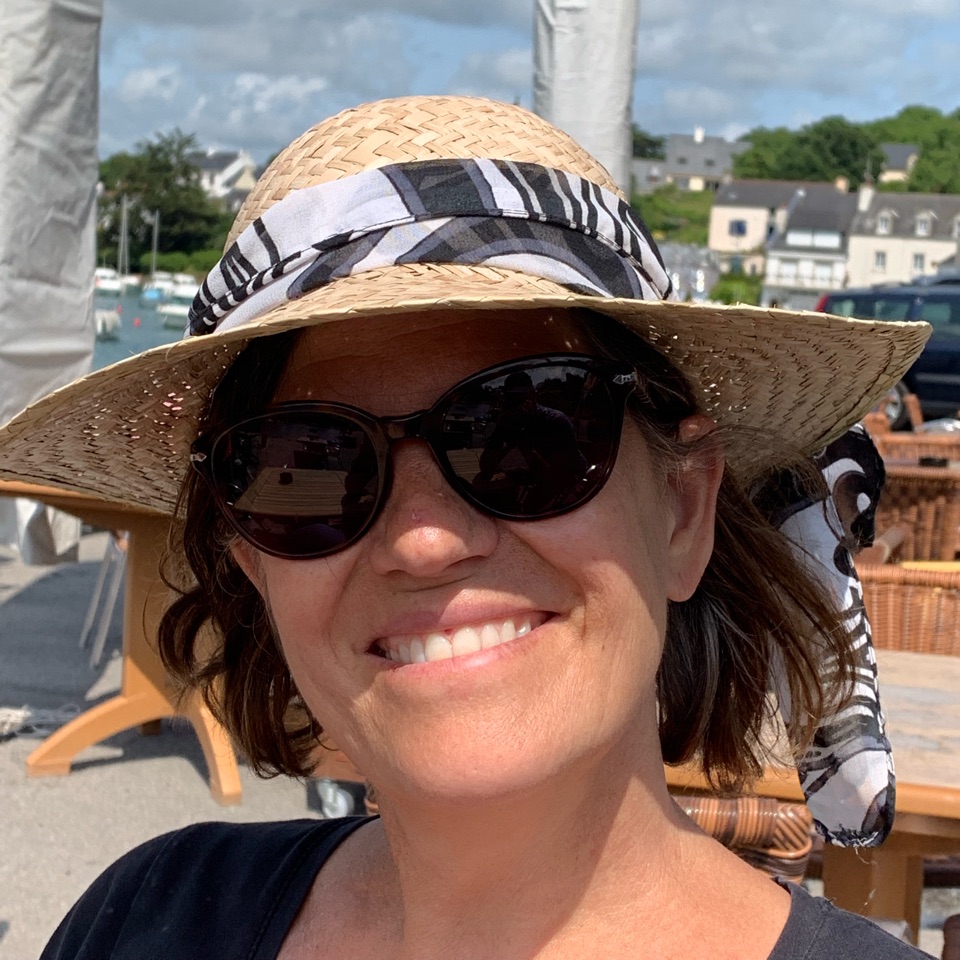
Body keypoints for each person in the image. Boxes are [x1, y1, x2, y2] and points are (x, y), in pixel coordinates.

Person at [0, 96, 932, 959]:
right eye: (312, 466)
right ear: (254, 565)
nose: (424, 541)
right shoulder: (147, 917)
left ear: (683, 511)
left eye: (527, 436)